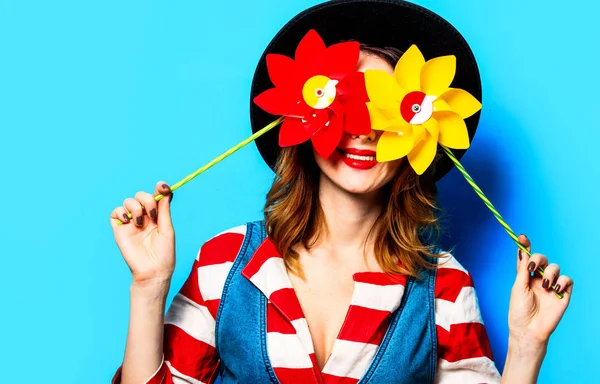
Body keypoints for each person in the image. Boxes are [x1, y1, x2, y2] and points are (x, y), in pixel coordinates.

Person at [109, 1, 573, 383]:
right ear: (302, 116)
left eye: (385, 109)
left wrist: (528, 347)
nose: (365, 132)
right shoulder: (225, 263)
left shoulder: (445, 289)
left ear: (420, 133)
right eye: (345, 103)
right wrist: (148, 287)